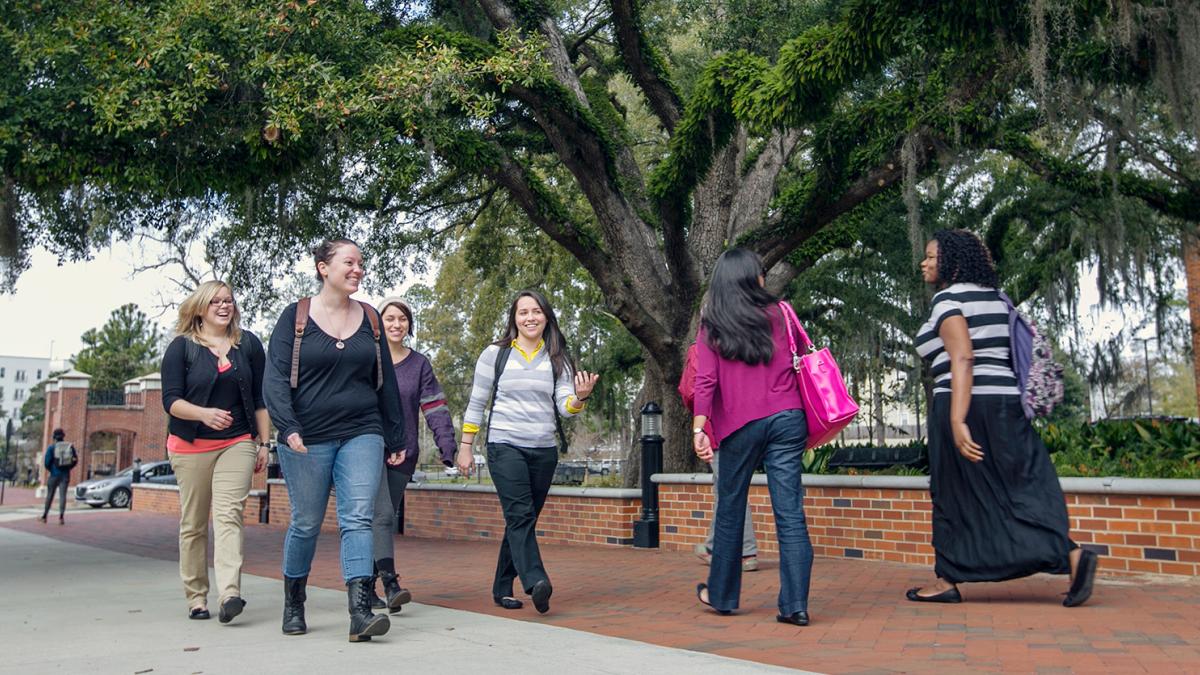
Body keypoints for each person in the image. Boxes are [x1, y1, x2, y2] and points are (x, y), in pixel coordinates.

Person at [909, 229, 1097, 606]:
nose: (924, 263)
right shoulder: (998, 299)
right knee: (1017, 485)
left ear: (953, 261)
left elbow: (963, 358)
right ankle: (1070, 554)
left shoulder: (948, 299)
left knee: (955, 491)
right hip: (1006, 404)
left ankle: (947, 578)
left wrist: (959, 421)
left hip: (963, 404)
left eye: (931, 256)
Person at [263, 238, 406, 642]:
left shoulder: (372, 320)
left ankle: (360, 612)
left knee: (357, 517)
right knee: (306, 521)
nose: (358, 269)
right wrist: (286, 426)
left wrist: (395, 433)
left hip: (363, 430)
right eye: (349, 262)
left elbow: (386, 383)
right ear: (323, 268)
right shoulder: (296, 317)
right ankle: (294, 600)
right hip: (306, 437)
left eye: (361, 263)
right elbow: (273, 379)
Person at [691, 248, 814, 626]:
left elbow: (706, 379)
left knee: (729, 510)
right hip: (788, 418)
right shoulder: (781, 313)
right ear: (752, 277)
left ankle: (723, 597)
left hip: (740, 424)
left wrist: (699, 426)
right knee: (790, 513)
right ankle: (795, 606)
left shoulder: (713, 321)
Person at [459, 290, 598, 614]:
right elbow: (477, 402)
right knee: (520, 515)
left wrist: (579, 397)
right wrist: (466, 447)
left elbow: (565, 407)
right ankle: (536, 581)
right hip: (505, 445)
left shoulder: (557, 358)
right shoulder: (495, 354)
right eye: (523, 312)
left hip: (543, 450)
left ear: (546, 316)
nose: (530, 317)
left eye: (536, 311)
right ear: (514, 318)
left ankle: (501, 587)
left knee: (522, 520)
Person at [161, 280, 271, 623]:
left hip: (237, 441)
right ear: (200, 309)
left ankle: (230, 593)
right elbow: (171, 401)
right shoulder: (181, 348)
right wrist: (203, 413)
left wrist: (264, 443)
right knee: (193, 523)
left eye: (229, 301)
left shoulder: (248, 344)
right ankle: (196, 596)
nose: (224, 307)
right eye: (216, 302)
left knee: (229, 514)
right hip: (190, 444)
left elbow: (259, 399)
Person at [368, 297, 458, 613]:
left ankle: (366, 588)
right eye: (390, 318)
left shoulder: (419, 364)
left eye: (402, 319)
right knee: (380, 516)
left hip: (403, 453)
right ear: (379, 323)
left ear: (409, 325)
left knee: (380, 517)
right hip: (366, 450)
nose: (396, 324)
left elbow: (435, 407)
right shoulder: (367, 359)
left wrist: (448, 447)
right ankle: (390, 583)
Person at [681, 339, 760, 572]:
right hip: (749, 425)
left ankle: (746, 551)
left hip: (718, 427)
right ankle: (713, 547)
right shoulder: (746, 344)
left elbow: (692, 391)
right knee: (724, 488)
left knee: (731, 490)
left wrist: (699, 428)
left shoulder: (702, 348)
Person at [40, 429, 77, 524]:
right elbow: (75, 460)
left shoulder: (51, 448)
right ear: (63, 436)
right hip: (65, 475)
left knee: (50, 495)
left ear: (54, 437)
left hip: (54, 475)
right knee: (63, 496)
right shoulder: (69, 446)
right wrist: (68, 468)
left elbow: (47, 463)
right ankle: (61, 517)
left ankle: (44, 516)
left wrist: (52, 470)